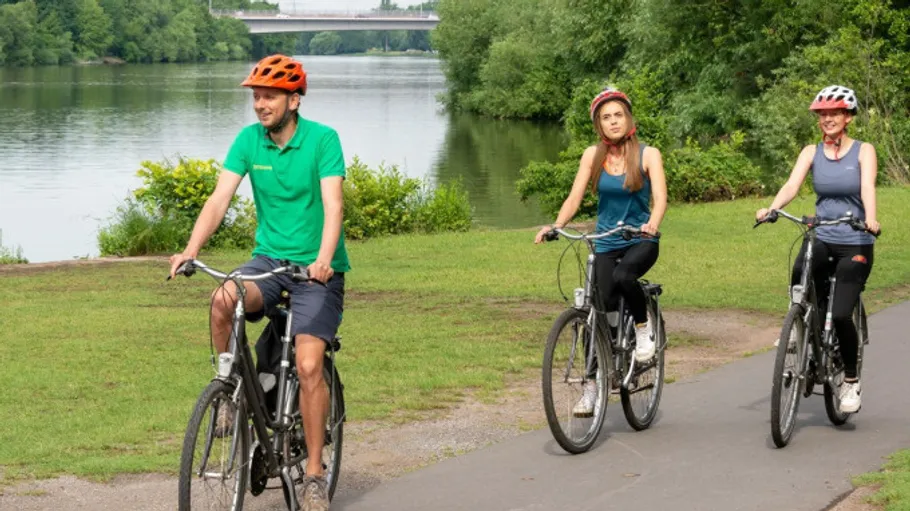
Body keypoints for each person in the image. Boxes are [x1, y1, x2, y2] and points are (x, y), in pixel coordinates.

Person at [169, 54, 349, 511]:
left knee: (308, 366)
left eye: (270, 96)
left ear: (294, 100)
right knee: (222, 298)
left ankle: (314, 474)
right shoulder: (249, 141)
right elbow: (219, 199)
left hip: (316, 272)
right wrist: (191, 249)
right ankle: (231, 394)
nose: (260, 105)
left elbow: (333, 205)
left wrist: (323, 260)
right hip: (268, 262)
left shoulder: (323, 140)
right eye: (256, 97)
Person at [535, 87, 668, 416]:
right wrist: (556, 225)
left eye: (618, 115)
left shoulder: (648, 154)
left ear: (629, 119)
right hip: (606, 240)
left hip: (640, 240)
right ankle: (592, 387)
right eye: (606, 117)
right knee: (595, 311)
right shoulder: (592, 156)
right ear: (599, 124)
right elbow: (574, 197)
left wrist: (651, 224)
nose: (613, 121)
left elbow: (661, 198)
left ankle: (643, 330)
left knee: (624, 276)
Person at [756, 85, 880, 414]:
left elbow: (867, 186)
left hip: (855, 240)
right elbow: (792, 185)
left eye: (834, 113)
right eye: (823, 114)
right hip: (822, 234)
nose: (827, 119)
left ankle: (850, 380)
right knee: (801, 268)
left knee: (840, 314)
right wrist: (772, 208)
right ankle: (799, 325)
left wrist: (870, 219)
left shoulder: (864, 151)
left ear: (848, 117)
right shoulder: (811, 152)